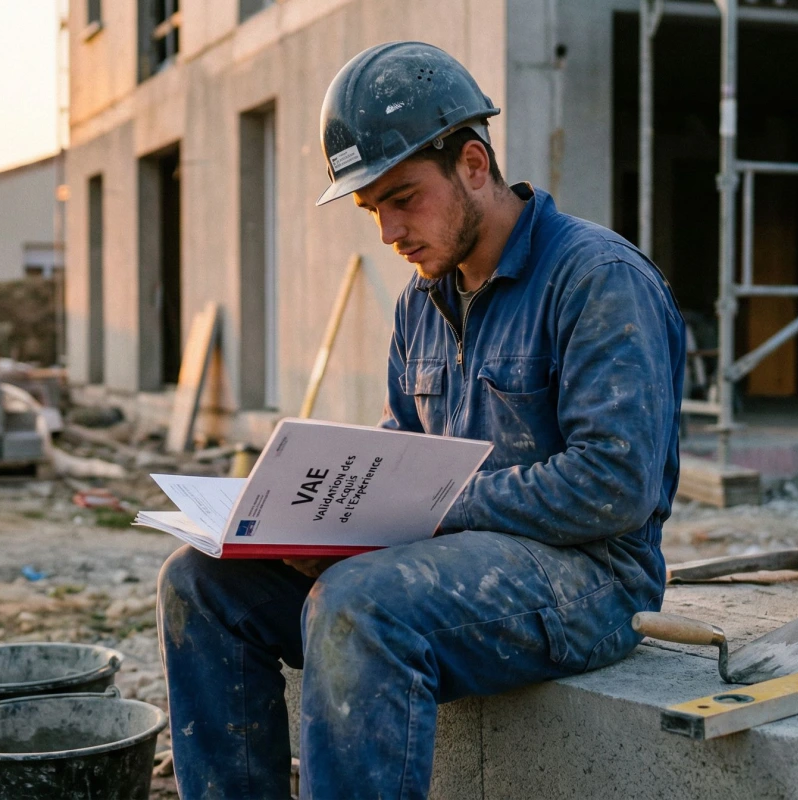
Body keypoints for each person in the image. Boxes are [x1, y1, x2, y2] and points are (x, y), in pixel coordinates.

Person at [158, 40, 685, 799]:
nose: (387, 232)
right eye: (373, 210)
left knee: (360, 605)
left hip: (592, 580)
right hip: (452, 565)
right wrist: (314, 522)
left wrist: (427, 513)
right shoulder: (422, 300)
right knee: (201, 582)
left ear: (474, 164)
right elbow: (400, 452)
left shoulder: (596, 280)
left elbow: (614, 484)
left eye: (403, 198)